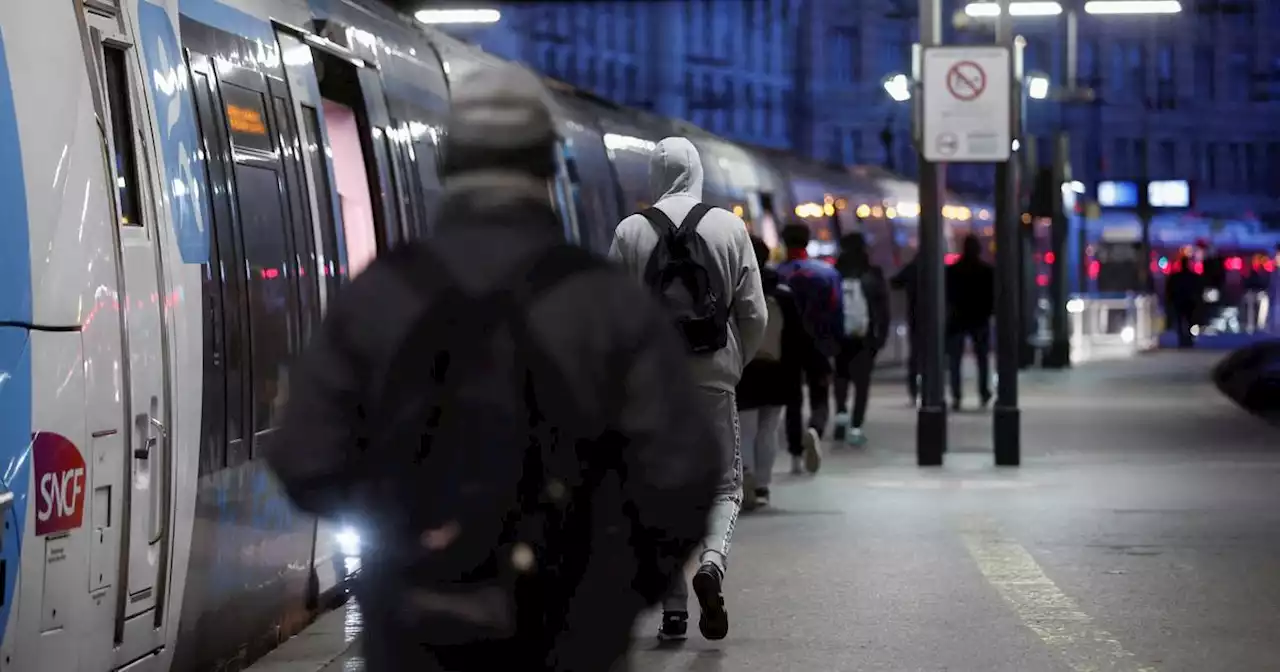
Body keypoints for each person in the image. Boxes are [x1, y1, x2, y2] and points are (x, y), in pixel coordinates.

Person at [267, 65, 722, 672]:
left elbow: (303, 455)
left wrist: (401, 542)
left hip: (415, 632)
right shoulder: (607, 303)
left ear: (448, 166)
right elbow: (686, 471)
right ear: (548, 167)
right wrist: (614, 592)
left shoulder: (382, 294)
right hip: (571, 637)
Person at [609, 136, 767, 642]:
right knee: (723, 485)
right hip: (713, 375)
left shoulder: (630, 231)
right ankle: (712, 564)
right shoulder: (727, 226)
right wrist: (735, 361)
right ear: (697, 172)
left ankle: (673, 608)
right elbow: (755, 313)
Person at [736, 235, 824, 510]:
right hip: (779, 372)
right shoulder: (783, 295)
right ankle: (762, 486)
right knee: (769, 429)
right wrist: (817, 368)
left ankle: (746, 478)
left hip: (746, 370)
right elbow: (800, 338)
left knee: (746, 429)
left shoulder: (732, 292)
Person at [776, 221, 841, 473]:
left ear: (783, 242)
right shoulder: (827, 273)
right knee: (820, 394)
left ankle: (794, 455)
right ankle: (815, 428)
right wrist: (836, 343)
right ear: (807, 241)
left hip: (786, 345)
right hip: (819, 343)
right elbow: (836, 312)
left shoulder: (776, 275)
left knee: (792, 399)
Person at [832, 233, 891, 446]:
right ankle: (856, 427)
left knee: (840, 378)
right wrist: (880, 337)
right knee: (861, 384)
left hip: (840, 338)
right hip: (865, 338)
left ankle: (840, 416)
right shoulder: (873, 275)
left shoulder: (834, 273)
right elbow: (883, 311)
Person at [945, 234, 995, 410]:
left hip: (958, 320)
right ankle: (983, 392)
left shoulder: (952, 271)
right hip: (980, 319)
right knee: (982, 359)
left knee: (955, 361)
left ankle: (956, 395)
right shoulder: (986, 271)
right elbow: (992, 297)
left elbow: (947, 296)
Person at [890, 254, 920, 404]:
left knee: (915, 355)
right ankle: (930, 388)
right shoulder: (938, 269)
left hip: (915, 316)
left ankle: (914, 391)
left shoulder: (912, 268)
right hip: (934, 318)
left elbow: (895, 283)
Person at [1166, 250, 1203, 348]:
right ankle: (1188, 339)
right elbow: (1198, 289)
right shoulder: (1192, 277)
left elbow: (1170, 290)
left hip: (1181, 302)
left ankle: (1183, 339)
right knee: (1189, 322)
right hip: (1188, 302)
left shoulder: (1176, 277)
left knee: (1182, 322)